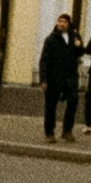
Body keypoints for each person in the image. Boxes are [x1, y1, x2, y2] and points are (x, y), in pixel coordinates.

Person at [38, 11, 82, 141]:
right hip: (53, 77)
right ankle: (49, 133)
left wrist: (79, 46)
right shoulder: (51, 39)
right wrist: (43, 79)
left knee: (73, 101)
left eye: (64, 22)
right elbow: (44, 60)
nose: (62, 24)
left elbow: (80, 53)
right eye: (60, 21)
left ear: (69, 24)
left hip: (70, 77)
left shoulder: (74, 37)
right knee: (50, 106)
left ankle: (67, 130)